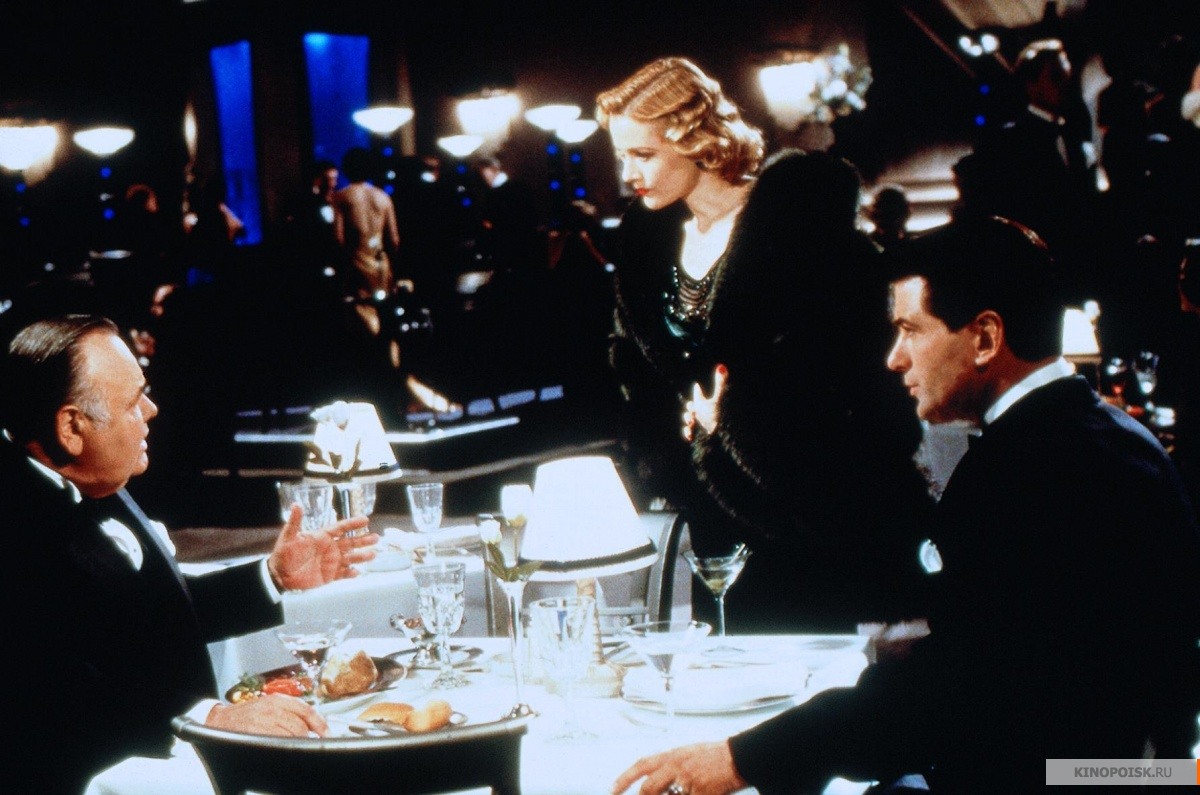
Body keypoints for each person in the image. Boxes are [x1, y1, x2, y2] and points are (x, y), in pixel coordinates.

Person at [611, 216, 1200, 795]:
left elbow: (949, 697)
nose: (895, 358)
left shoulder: (1032, 469)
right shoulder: (1102, 438)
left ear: (986, 338)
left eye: (911, 330)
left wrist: (742, 758)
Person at [597, 57, 932, 632]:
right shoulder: (645, 243)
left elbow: (867, 390)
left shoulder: (804, 233)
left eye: (643, 154)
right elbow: (638, 374)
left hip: (815, 518)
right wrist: (673, 442)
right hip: (713, 519)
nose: (629, 173)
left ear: (696, 142)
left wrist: (735, 420)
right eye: (622, 155)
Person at [1, 315, 379, 793]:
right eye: (133, 402)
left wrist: (273, 576)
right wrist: (209, 718)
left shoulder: (91, 475)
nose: (152, 410)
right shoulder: (14, 528)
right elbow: (52, 700)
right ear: (72, 427)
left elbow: (148, 621)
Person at [969, 38, 1099, 302]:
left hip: (1080, 274)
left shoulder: (1076, 138)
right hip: (1033, 278)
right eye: (1055, 76)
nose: (1065, 84)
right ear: (1030, 84)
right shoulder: (1008, 143)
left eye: (1067, 76)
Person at [332, 146, 401, 341]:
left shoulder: (341, 197)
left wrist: (342, 265)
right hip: (380, 264)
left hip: (356, 265)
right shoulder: (383, 197)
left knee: (361, 318)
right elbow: (394, 239)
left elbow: (338, 238)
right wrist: (393, 268)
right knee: (385, 316)